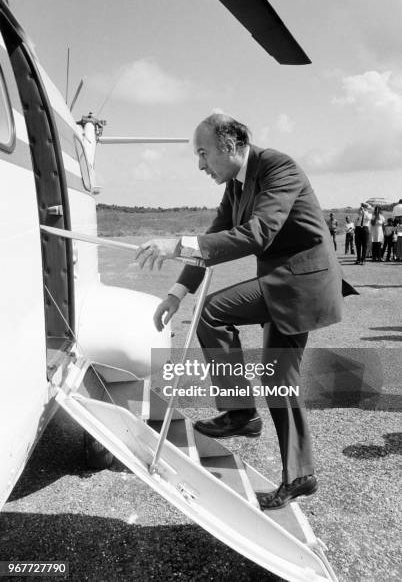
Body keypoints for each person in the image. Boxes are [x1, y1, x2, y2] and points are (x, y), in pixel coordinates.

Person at [135, 113, 355, 510]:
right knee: (277, 378)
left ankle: (239, 413)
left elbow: (258, 232)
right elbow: (214, 239)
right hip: (281, 282)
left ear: (232, 145)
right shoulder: (235, 186)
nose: (201, 165)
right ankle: (299, 473)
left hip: (301, 283)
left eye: (203, 154)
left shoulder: (277, 167)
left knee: (214, 314)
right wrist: (177, 292)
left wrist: (176, 244)